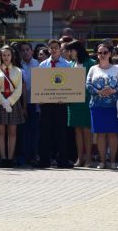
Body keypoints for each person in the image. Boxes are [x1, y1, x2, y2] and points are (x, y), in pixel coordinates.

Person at [86, 43, 118, 169]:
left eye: (105, 52)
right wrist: (98, 91)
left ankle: (113, 161)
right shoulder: (93, 69)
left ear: (110, 54)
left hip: (113, 106)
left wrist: (113, 91)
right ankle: (103, 161)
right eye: (99, 52)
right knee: (100, 134)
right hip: (97, 106)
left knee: (113, 134)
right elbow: (88, 85)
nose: (102, 55)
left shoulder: (117, 69)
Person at [38, 39, 73, 168]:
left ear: (60, 49)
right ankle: (44, 160)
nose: (53, 49)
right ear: (48, 49)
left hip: (60, 103)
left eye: (56, 47)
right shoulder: (43, 65)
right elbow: (40, 84)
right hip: (46, 104)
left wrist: (66, 97)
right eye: (51, 47)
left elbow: (70, 85)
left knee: (61, 133)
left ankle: (62, 160)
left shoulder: (67, 65)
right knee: (45, 133)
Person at [0, 45, 24, 167]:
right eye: (3, 55)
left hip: (13, 102)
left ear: (12, 56)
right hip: (0, 102)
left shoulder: (18, 70)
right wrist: (3, 102)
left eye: (8, 55)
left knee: (12, 131)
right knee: (0, 131)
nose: (6, 57)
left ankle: (10, 158)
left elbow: (19, 89)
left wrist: (9, 101)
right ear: (0, 56)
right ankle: (3, 158)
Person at [65, 40, 96, 167]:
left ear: (77, 50)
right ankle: (79, 158)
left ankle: (88, 158)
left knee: (87, 130)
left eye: (71, 50)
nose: (69, 53)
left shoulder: (91, 63)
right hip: (73, 102)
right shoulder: (71, 64)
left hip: (87, 101)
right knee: (77, 130)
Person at [19, 42, 40, 166]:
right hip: (22, 103)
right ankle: (24, 156)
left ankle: (33, 156)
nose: (25, 52)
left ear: (32, 51)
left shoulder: (38, 64)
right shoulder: (17, 66)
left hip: (36, 102)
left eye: (28, 49)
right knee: (23, 131)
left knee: (35, 131)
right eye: (23, 50)